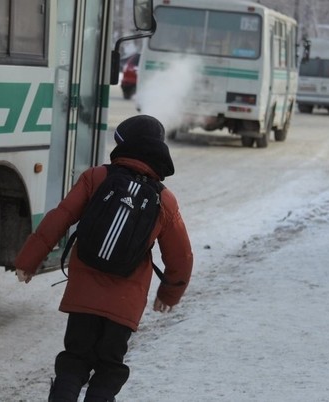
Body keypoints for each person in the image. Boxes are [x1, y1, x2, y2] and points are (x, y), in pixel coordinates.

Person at [14, 115, 194, 402]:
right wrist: (169, 294)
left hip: (83, 294)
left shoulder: (97, 177)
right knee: (109, 368)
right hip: (125, 304)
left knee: (74, 360)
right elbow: (181, 256)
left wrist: (28, 261)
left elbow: (59, 218)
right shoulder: (164, 200)